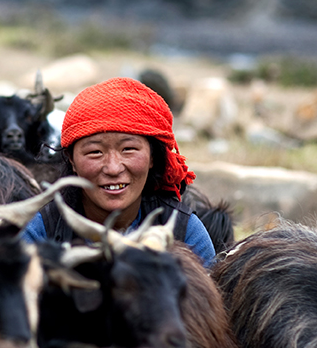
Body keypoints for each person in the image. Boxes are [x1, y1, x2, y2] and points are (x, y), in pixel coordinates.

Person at [23, 77, 215, 267]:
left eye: (128, 149)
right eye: (95, 152)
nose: (113, 168)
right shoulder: (40, 232)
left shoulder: (185, 232)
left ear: (153, 157)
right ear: (71, 159)